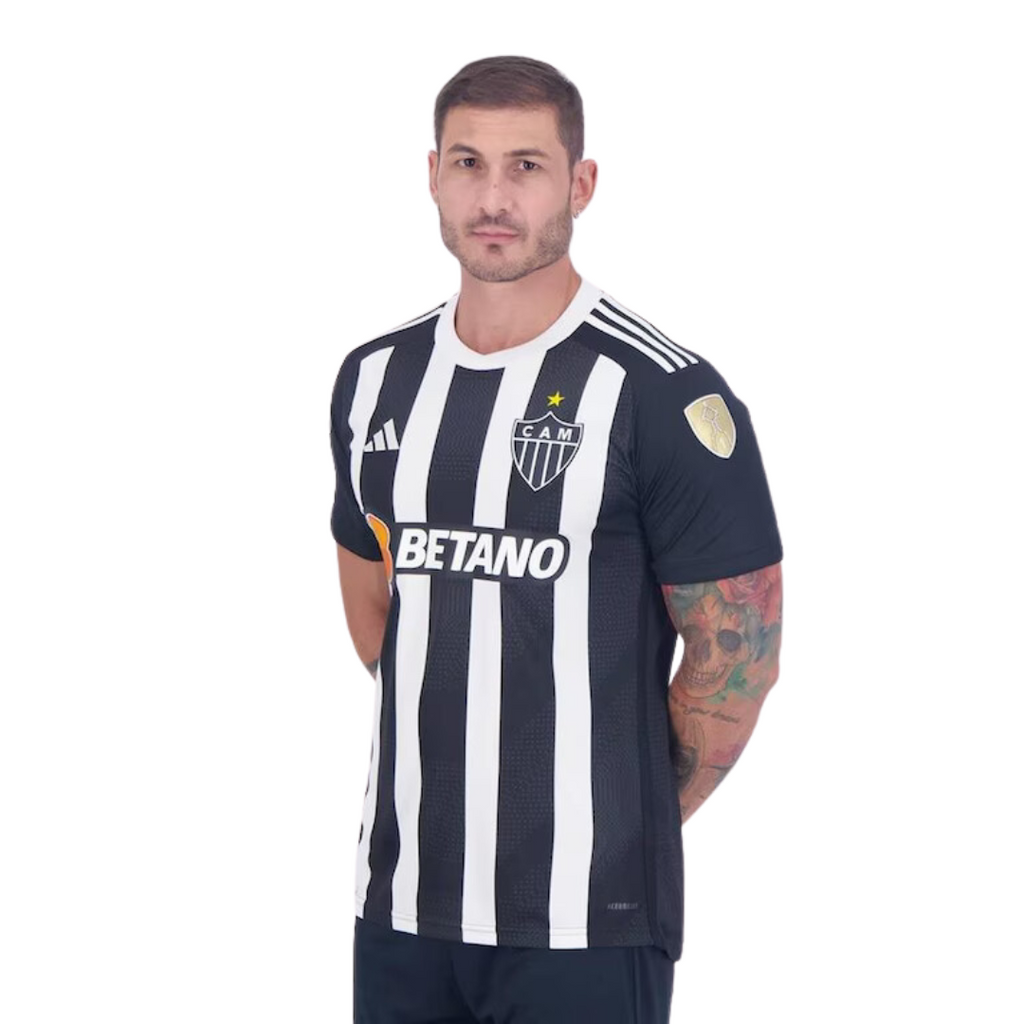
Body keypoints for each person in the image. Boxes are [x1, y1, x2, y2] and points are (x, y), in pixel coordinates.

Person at [329, 54, 784, 1024]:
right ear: (432, 175)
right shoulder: (374, 380)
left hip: (589, 920)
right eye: (468, 162)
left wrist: (615, 814)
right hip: (402, 904)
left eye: (526, 166)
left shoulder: (661, 392)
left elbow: (737, 663)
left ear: (580, 183)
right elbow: (375, 601)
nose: (493, 197)